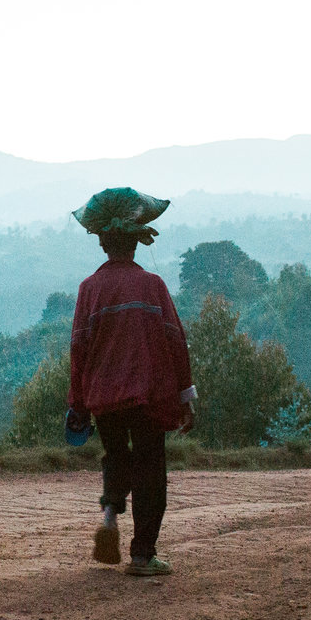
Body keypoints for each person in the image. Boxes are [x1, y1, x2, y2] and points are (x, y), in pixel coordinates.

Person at [64, 189, 195, 578]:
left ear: (103, 243)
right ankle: (142, 555)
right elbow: (176, 341)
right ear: (137, 241)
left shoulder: (89, 289)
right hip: (149, 394)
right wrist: (186, 396)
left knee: (116, 456)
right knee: (150, 465)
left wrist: (78, 402)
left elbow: (78, 350)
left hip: (104, 397)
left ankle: (108, 516)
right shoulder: (153, 286)